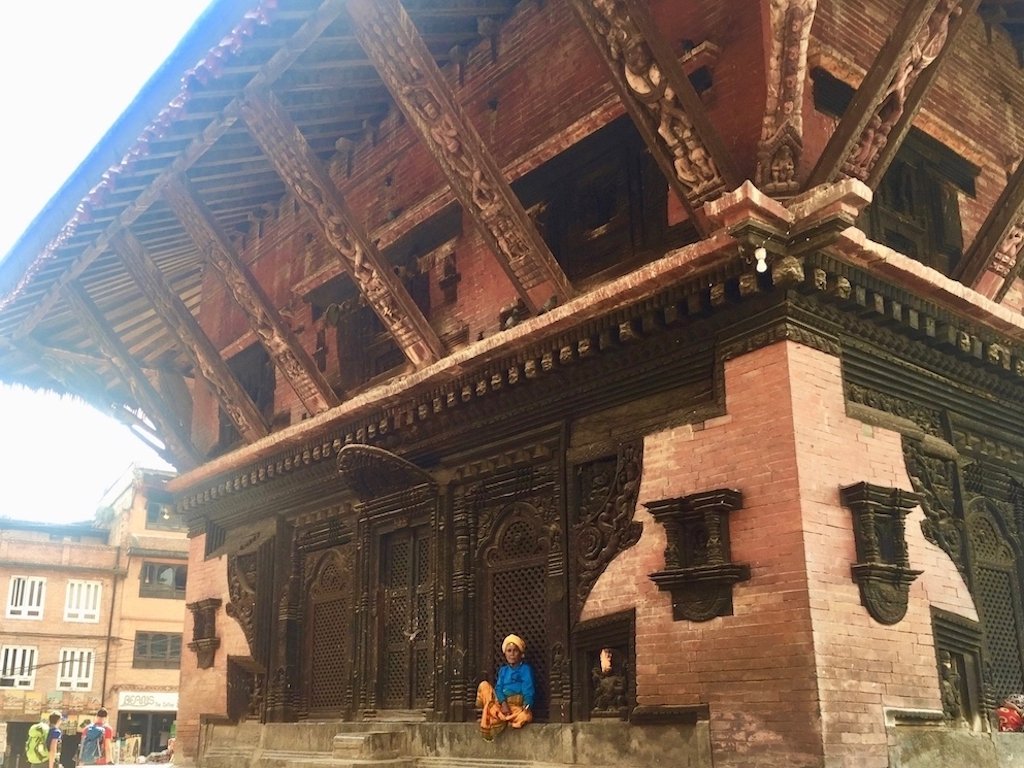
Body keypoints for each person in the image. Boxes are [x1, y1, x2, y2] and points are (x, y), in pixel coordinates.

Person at [475, 633, 535, 741]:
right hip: (502, 705)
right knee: (484, 686)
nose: (512, 654)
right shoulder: (503, 670)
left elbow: (528, 689)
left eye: (515, 651)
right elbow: (498, 688)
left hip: (516, 707)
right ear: (505, 654)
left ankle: (499, 718)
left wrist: (526, 706)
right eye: (509, 651)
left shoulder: (525, 669)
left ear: (521, 654)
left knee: (525, 716)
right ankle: (494, 715)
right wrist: (503, 703)